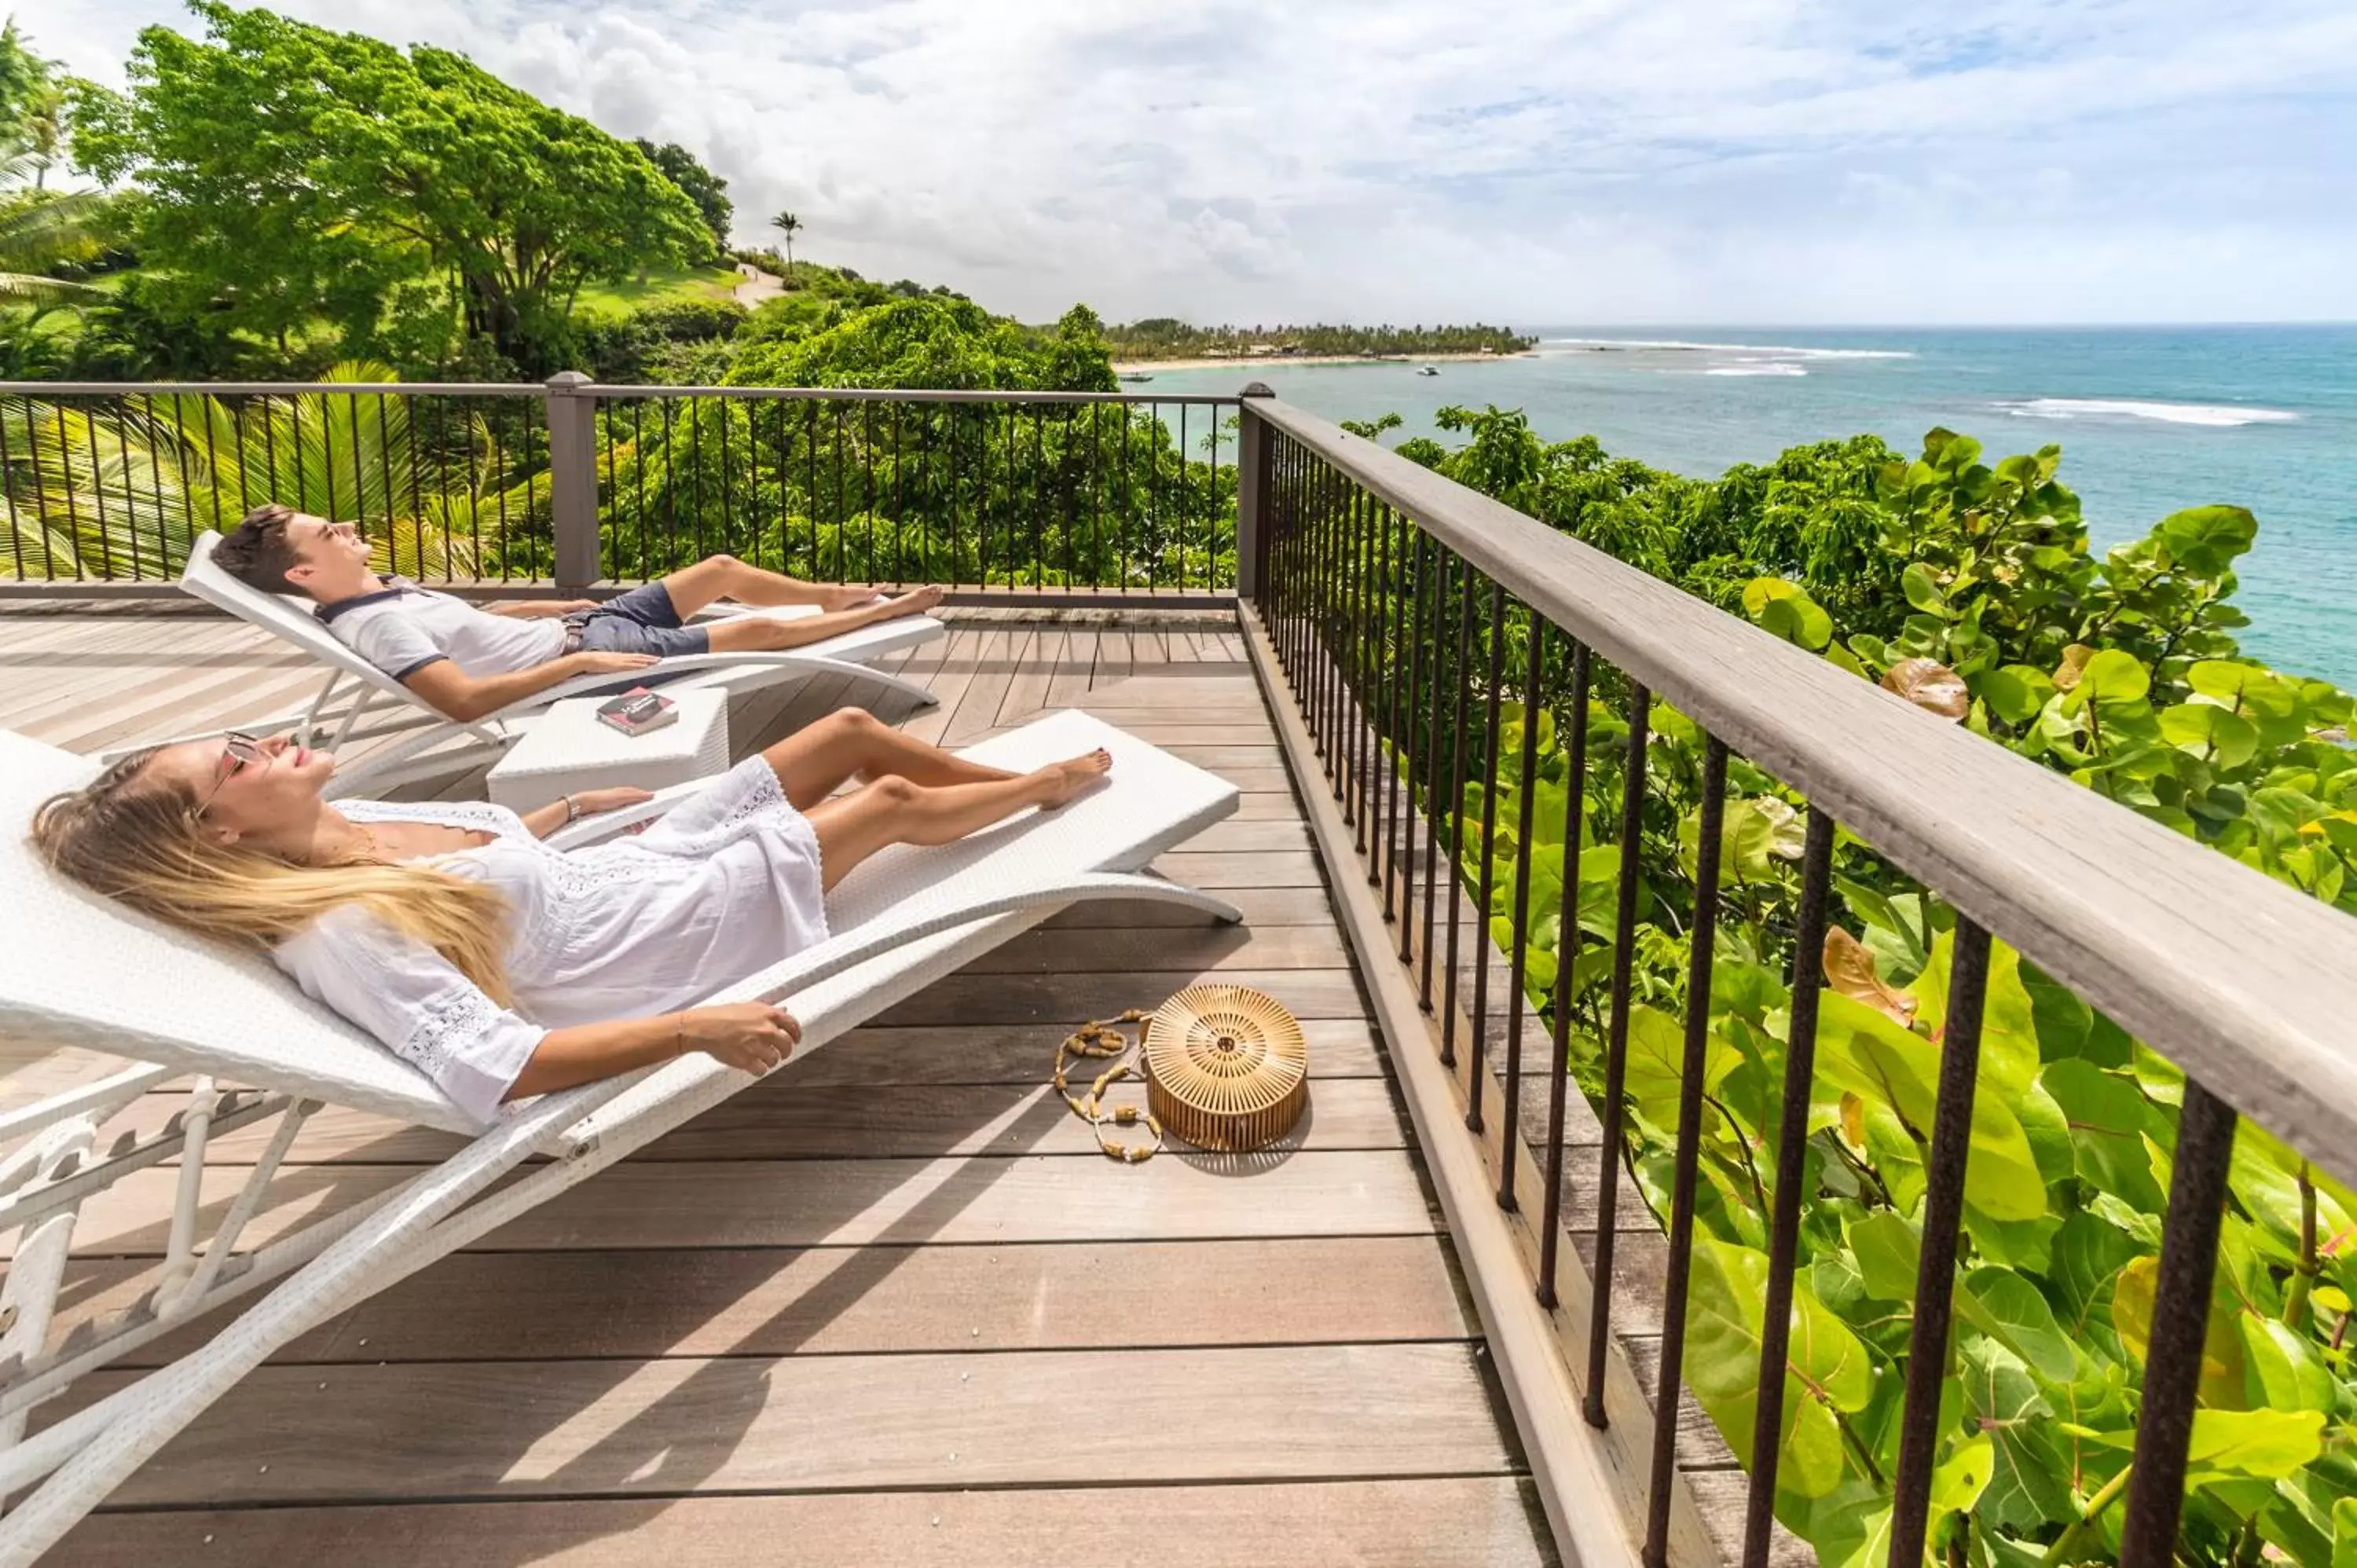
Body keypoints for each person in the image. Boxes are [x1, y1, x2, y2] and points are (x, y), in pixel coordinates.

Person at [31, 710, 1111, 1126]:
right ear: (217, 835)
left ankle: (1002, 776)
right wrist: (699, 1027)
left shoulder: (342, 819)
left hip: (628, 876)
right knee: (885, 801)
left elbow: (490, 870)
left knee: (846, 731)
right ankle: (1037, 790)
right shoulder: (339, 929)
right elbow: (499, 1067)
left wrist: (559, 814)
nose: (267, 745)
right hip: (662, 944)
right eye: (239, 761)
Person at [211, 504, 945, 722]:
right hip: (584, 660)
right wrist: (583, 660)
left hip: (582, 628)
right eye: (327, 534)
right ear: (305, 573)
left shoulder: (379, 594)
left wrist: (539, 607)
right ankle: (876, 616)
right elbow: (462, 701)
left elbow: (472, 626)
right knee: (750, 630)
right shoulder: (378, 625)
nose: (343, 529)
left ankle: (834, 597)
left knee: (719, 571)